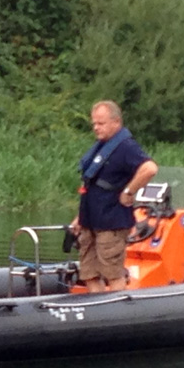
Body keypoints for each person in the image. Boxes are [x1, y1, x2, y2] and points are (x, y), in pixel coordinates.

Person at [70, 100, 158, 293]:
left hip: (112, 222)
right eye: (94, 123)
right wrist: (79, 217)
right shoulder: (100, 147)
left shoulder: (126, 147)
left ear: (116, 122)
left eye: (100, 123)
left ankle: (119, 311)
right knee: (89, 274)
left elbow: (149, 168)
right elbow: (90, 184)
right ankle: (98, 313)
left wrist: (129, 192)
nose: (95, 127)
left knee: (112, 273)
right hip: (90, 221)